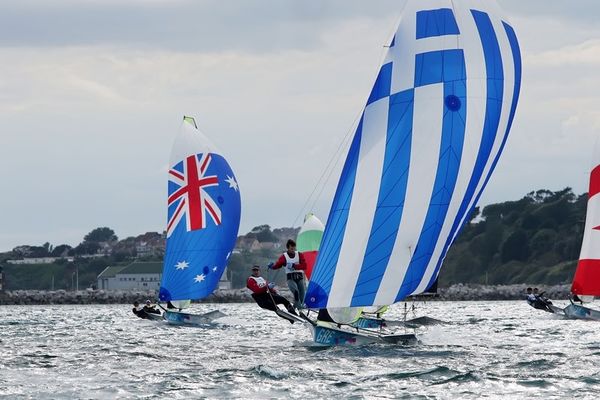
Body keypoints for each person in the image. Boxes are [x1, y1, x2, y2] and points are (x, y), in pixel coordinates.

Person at [269, 239, 307, 309]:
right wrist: (271, 266)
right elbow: (278, 265)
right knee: (296, 292)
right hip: (290, 279)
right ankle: (300, 308)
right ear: (288, 248)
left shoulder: (299, 255)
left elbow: (304, 266)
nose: (293, 250)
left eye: (294, 248)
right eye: (291, 248)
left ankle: (293, 308)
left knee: (302, 297)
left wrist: (293, 265)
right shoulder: (284, 257)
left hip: (300, 278)